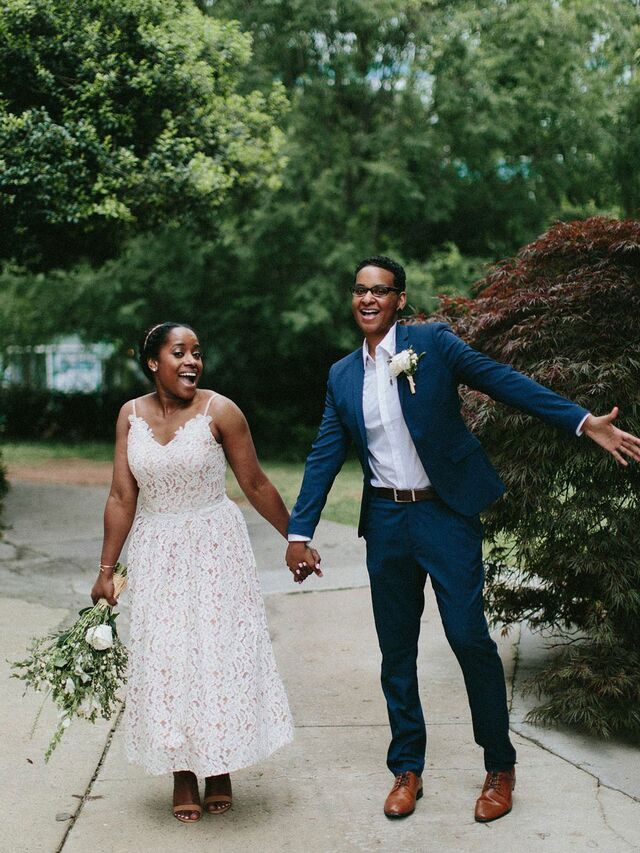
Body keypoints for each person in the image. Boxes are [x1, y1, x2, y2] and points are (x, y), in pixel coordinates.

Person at [285, 255, 640, 823]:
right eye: (359, 290)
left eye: (380, 290)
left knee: (468, 636)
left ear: (400, 299)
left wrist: (581, 421)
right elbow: (326, 454)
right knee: (395, 648)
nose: (368, 299)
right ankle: (407, 769)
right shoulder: (341, 375)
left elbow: (503, 382)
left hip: (444, 515)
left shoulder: (433, 344)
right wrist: (300, 531)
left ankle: (499, 767)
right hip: (386, 521)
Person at [91, 322, 318, 822]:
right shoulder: (129, 416)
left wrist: (295, 539)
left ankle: (219, 767)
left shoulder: (221, 411)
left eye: (198, 353)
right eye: (180, 353)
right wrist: (107, 569)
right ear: (154, 362)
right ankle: (182, 772)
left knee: (216, 654)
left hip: (216, 547)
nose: (192, 361)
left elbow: (255, 482)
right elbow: (121, 495)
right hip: (156, 551)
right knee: (167, 658)